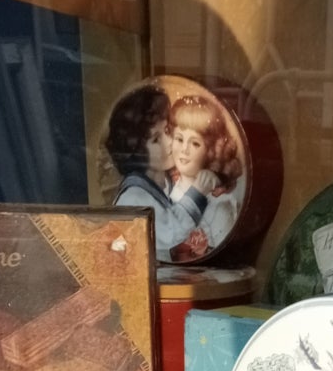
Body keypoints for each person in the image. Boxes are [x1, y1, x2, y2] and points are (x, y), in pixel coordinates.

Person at [104, 82, 222, 263]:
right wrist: (197, 193)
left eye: (167, 131)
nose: (169, 142)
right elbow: (171, 234)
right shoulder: (133, 197)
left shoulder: (166, 181)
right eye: (156, 139)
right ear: (136, 149)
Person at [165, 91, 243, 259]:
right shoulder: (164, 189)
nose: (184, 149)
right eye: (179, 139)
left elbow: (223, 261)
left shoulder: (220, 205)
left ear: (210, 151)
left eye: (195, 143)